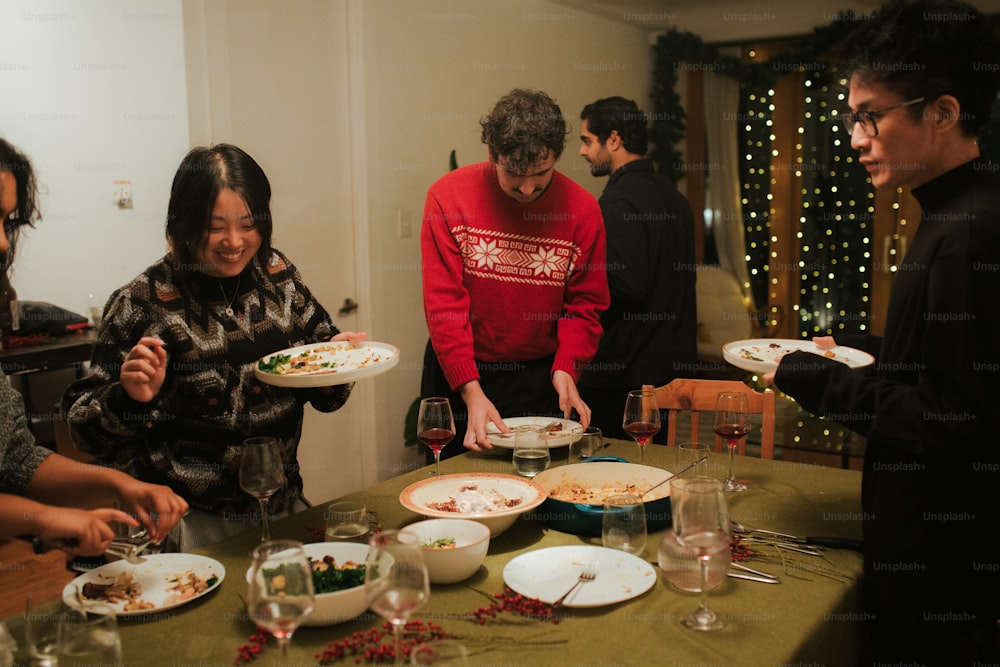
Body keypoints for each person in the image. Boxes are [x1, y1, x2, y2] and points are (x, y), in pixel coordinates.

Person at [765, 1, 1000, 663]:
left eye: (870, 115)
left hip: (939, 562)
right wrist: (865, 348)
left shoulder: (969, 230)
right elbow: (942, 364)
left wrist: (816, 379)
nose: (855, 137)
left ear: (943, 113)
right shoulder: (954, 210)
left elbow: (951, 418)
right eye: (851, 117)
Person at [62, 143, 364, 551]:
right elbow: (82, 427)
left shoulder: (277, 275)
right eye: (216, 226)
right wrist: (128, 396)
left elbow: (326, 388)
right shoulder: (143, 302)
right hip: (186, 521)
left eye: (247, 224)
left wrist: (337, 360)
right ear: (184, 223)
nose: (234, 241)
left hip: (280, 503)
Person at [0, 137, 187, 556]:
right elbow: (85, 421)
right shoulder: (139, 300)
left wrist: (120, 485)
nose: (3, 243)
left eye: (7, 222)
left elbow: (16, 460)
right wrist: (43, 518)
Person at [421, 88, 610, 455]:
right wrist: (470, 390)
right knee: (461, 491)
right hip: (461, 371)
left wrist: (568, 367)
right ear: (493, 154)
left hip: (538, 375)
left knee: (537, 488)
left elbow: (585, 305)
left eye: (541, 174)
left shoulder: (583, 211)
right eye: (514, 173)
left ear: (556, 156)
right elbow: (444, 304)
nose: (527, 188)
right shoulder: (448, 197)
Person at [576, 96, 697, 440]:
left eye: (587, 140)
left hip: (624, 376)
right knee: (652, 472)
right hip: (668, 372)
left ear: (613, 140)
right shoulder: (674, 197)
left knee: (615, 480)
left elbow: (626, 284)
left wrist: (575, 275)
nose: (583, 152)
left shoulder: (618, 200)